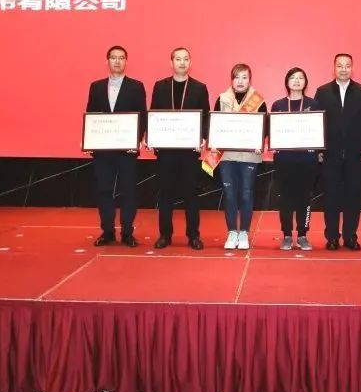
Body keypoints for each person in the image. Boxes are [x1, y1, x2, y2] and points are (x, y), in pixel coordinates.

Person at [148, 47, 210, 250]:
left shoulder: (199, 88)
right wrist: (152, 137)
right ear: (171, 63)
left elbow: (206, 117)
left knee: (191, 195)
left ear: (190, 63)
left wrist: (203, 137)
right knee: (165, 194)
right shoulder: (160, 86)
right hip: (166, 152)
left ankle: (193, 236)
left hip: (189, 152)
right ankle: (165, 235)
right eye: (178, 59)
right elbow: (153, 115)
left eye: (185, 59)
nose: (182, 62)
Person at [85, 45, 146, 248]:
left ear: (126, 61)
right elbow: (91, 116)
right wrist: (89, 140)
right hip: (103, 151)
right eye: (113, 57)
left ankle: (127, 233)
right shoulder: (96, 87)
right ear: (107, 61)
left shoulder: (136, 86)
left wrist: (137, 140)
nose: (117, 61)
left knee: (128, 191)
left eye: (121, 58)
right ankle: (108, 232)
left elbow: (142, 116)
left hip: (127, 150)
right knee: (104, 190)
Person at [313, 54, 361, 251]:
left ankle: (350, 236)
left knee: (353, 196)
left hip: (355, 153)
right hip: (330, 153)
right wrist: (319, 148)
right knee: (331, 196)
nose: (343, 69)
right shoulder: (322, 92)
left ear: (352, 68)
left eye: (347, 66)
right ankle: (332, 236)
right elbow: (317, 122)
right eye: (340, 66)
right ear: (334, 68)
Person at [212, 64, 267, 251]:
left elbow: (264, 126)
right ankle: (231, 232)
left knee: (246, 193)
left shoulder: (258, 100)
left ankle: (243, 232)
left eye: (244, 77)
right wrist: (213, 140)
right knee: (229, 194)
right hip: (226, 155)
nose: (241, 81)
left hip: (249, 156)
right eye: (237, 77)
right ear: (232, 80)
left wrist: (260, 142)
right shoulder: (221, 99)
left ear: (250, 80)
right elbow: (214, 124)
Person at [270, 68, 321, 251]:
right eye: (293, 77)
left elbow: (320, 130)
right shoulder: (278, 105)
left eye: (300, 78)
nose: (297, 81)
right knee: (285, 198)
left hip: (307, 160)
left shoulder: (313, 104)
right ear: (287, 81)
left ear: (305, 82)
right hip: (284, 160)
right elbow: (272, 130)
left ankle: (302, 235)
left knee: (304, 198)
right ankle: (286, 235)